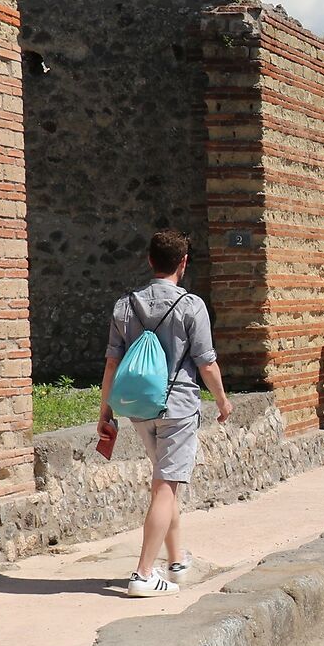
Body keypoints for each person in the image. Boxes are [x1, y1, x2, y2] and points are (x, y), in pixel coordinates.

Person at [101, 230, 231, 596]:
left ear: (149, 260)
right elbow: (206, 364)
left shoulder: (124, 305)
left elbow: (112, 364)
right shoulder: (191, 306)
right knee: (165, 486)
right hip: (178, 407)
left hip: (138, 409)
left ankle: (176, 559)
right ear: (183, 263)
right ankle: (143, 574)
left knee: (165, 483)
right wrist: (222, 401)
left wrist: (105, 412)